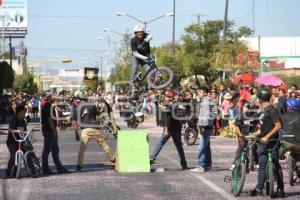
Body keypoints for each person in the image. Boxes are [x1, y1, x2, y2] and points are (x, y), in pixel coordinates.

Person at [249, 87, 285, 197]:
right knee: (262, 164)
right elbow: (263, 129)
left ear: (260, 99)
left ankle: (280, 189)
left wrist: (267, 136)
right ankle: (259, 188)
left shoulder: (271, 110)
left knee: (276, 164)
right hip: (263, 142)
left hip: (272, 142)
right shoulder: (264, 111)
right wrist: (252, 135)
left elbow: (278, 126)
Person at [150, 90, 188, 170]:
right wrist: (157, 103)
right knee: (179, 147)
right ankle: (184, 164)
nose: (166, 98)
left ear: (171, 98)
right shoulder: (173, 105)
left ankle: (151, 158)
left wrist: (166, 130)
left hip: (171, 128)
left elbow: (168, 119)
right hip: (177, 128)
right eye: (166, 96)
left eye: (168, 96)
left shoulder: (169, 107)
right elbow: (163, 108)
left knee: (160, 143)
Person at [76, 97, 115, 171]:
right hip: (94, 128)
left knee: (82, 149)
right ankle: (112, 158)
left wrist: (76, 133)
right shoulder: (92, 105)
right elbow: (97, 118)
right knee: (104, 144)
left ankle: (79, 165)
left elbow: (75, 122)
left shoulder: (78, 108)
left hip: (84, 129)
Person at [41, 91, 69, 175]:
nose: (55, 97)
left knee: (55, 150)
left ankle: (59, 168)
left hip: (49, 131)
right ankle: (45, 169)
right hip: (49, 131)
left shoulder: (48, 105)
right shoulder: (48, 106)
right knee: (46, 151)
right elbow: (50, 120)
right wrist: (54, 131)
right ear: (49, 97)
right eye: (53, 96)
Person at [190, 86, 214, 173]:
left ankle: (200, 165)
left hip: (205, 126)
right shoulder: (207, 101)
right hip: (208, 126)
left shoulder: (205, 102)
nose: (198, 93)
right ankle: (208, 165)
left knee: (201, 147)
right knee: (206, 146)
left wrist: (202, 126)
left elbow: (206, 116)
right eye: (198, 91)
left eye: (200, 91)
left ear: (205, 93)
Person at [5, 105, 27, 178]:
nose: (25, 113)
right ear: (20, 112)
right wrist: (16, 131)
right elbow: (11, 129)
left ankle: (15, 173)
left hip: (21, 141)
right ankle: (8, 171)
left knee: (20, 156)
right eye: (24, 112)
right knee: (13, 156)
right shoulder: (13, 120)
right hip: (12, 141)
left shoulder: (23, 121)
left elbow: (25, 131)